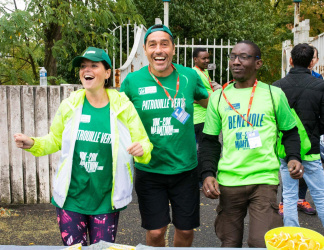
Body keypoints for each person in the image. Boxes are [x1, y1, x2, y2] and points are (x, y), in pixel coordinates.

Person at [13, 47, 153, 246]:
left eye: (94, 65)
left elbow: (144, 143)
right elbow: (55, 140)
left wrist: (142, 150)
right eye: (83, 66)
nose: (86, 70)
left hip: (106, 200)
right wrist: (33, 143)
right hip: (71, 199)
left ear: (107, 73)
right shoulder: (69, 106)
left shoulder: (124, 107)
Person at [200, 40, 303, 248]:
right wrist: (208, 173)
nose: (236, 62)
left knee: (261, 242)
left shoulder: (274, 95)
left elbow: (290, 131)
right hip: (229, 181)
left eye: (243, 57)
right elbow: (210, 141)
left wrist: (293, 157)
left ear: (258, 63)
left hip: (263, 180)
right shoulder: (218, 97)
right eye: (232, 57)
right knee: (229, 242)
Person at [120, 24, 209, 247]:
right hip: (150, 169)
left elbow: (209, 103)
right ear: (145, 50)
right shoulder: (132, 81)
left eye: (164, 44)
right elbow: (117, 118)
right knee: (157, 232)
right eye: (153, 45)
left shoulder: (189, 76)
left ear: (173, 48)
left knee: (186, 231)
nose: (159, 50)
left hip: (185, 169)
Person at [273, 43, 324, 227]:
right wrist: (315, 132)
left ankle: (292, 237)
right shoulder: (320, 85)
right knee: (320, 194)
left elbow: (274, 121)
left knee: (288, 195)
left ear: (291, 60)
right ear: (312, 63)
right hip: (311, 147)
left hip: (285, 148)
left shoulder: (277, 87)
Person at [192, 48, 219, 188]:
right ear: (195, 59)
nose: (207, 61)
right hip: (198, 118)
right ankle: (199, 180)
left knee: (201, 149)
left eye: (208, 58)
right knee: (201, 150)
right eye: (204, 58)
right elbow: (196, 95)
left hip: (205, 116)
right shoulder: (195, 74)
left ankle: (200, 179)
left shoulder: (204, 72)